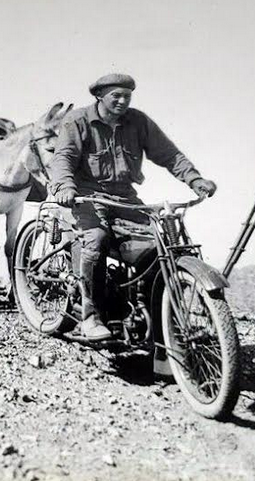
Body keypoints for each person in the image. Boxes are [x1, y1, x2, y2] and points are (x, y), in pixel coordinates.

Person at [48, 73, 218, 341]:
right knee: (96, 239)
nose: (122, 100)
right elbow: (64, 158)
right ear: (99, 97)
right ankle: (91, 316)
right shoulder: (78, 120)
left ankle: (158, 325)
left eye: (127, 95)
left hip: (125, 197)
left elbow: (168, 154)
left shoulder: (137, 121)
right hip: (85, 195)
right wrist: (65, 188)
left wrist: (194, 179)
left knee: (155, 247)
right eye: (116, 95)